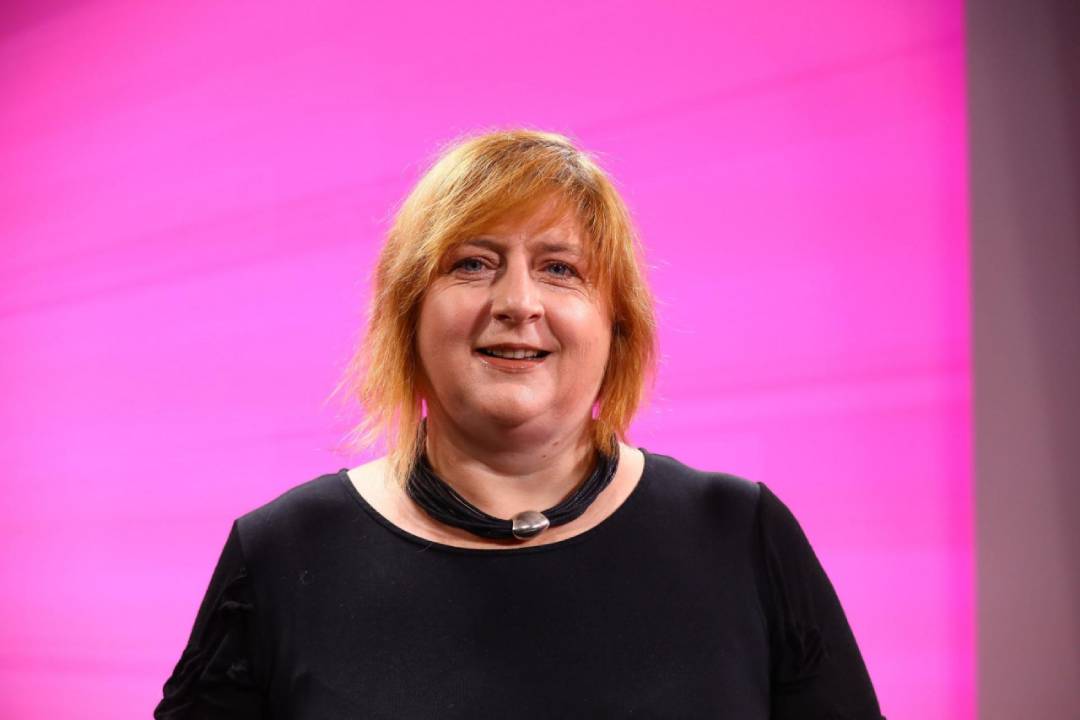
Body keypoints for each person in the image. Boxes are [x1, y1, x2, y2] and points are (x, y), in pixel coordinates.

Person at [155, 130, 885, 718]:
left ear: (617, 326)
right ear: (408, 317)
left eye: (560, 269)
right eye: (473, 264)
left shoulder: (740, 534)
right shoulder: (282, 553)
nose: (517, 303)